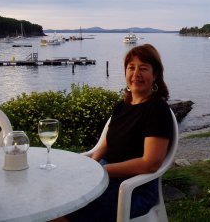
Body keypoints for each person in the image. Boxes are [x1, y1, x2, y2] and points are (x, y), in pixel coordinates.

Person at [62, 44, 173, 222]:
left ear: (155, 76)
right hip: (105, 176)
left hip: (134, 187)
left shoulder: (157, 109)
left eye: (143, 68)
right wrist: (91, 164)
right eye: (131, 67)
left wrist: (102, 171)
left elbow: (149, 164)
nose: (136, 73)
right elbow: (105, 144)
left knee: (65, 210)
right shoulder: (121, 106)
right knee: (55, 196)